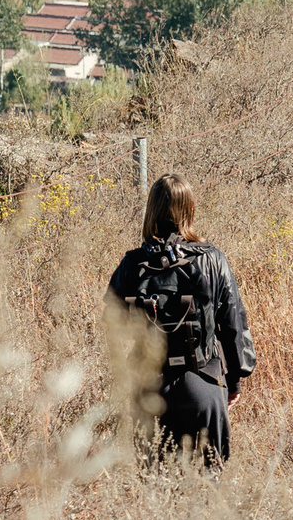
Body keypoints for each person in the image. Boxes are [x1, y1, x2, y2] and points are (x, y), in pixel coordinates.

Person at [105, 172, 254, 465]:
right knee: (210, 494)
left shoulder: (132, 264)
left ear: (151, 211)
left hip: (150, 392)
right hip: (205, 385)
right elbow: (233, 324)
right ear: (191, 210)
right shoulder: (212, 259)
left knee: (157, 493)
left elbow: (112, 324)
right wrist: (235, 380)